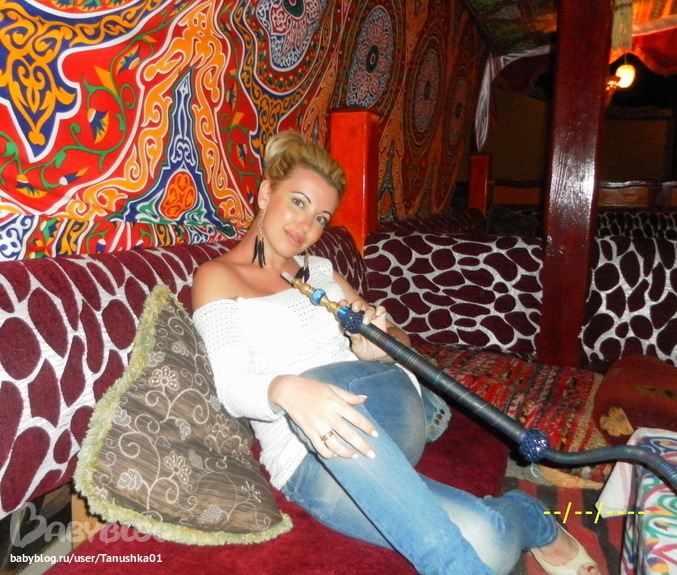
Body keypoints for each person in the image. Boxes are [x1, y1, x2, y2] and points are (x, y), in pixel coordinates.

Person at [191, 130, 602, 575]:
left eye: (321, 217)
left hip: (384, 407)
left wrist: (379, 349)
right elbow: (232, 387)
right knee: (492, 545)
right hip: (305, 463)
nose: (306, 226)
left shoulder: (320, 272)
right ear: (266, 193)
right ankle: (531, 517)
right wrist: (286, 390)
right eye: (298, 203)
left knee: (326, 385)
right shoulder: (217, 277)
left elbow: (401, 343)